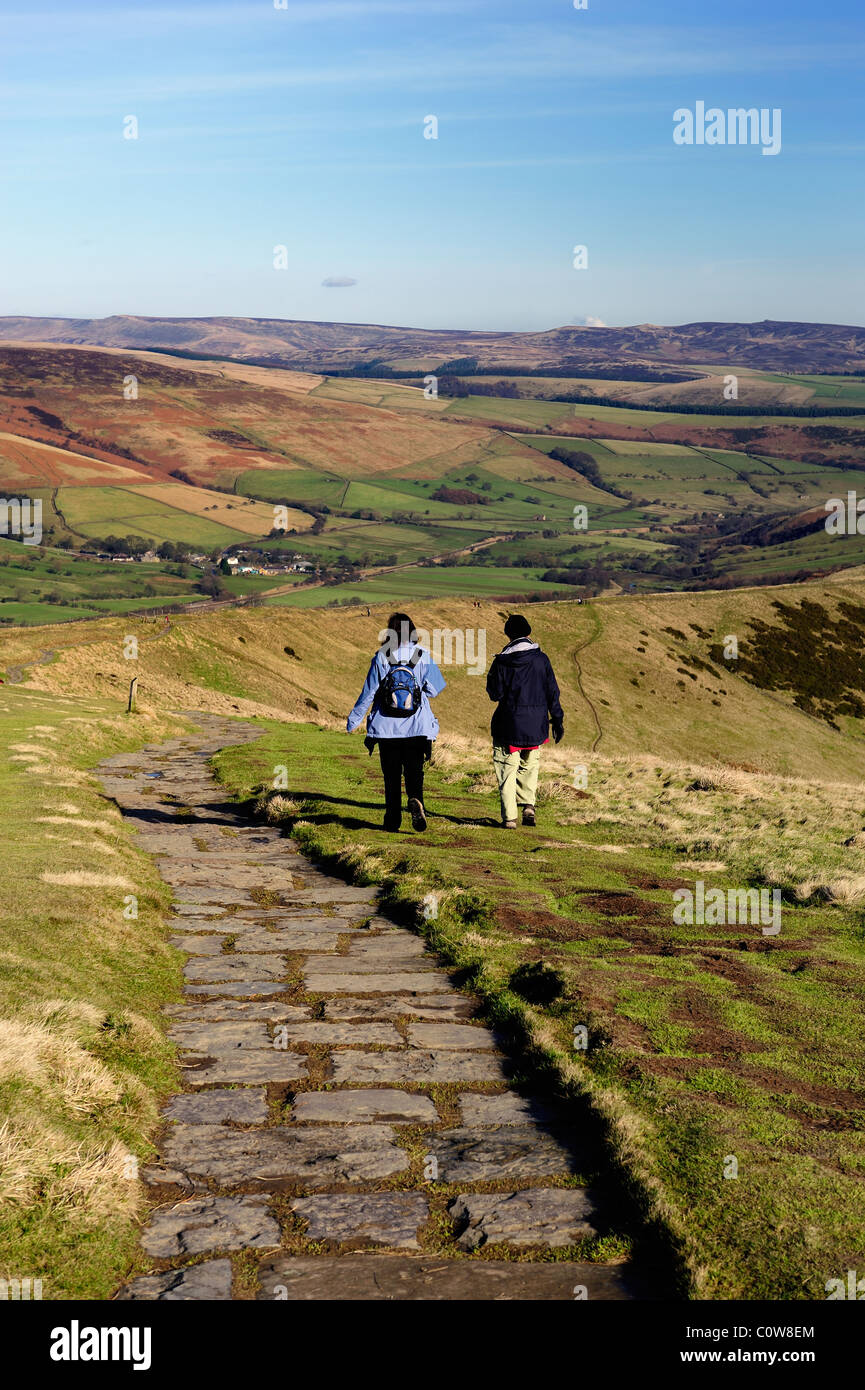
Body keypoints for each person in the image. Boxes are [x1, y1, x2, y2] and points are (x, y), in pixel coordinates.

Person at [346, 612, 446, 832]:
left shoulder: (382, 656)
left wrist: (353, 721)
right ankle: (416, 799)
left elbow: (368, 693)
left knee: (391, 775)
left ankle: (392, 819)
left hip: (386, 728)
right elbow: (435, 689)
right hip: (417, 726)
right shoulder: (422, 655)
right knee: (414, 771)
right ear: (412, 632)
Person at [486, 614, 563, 828]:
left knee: (506, 770)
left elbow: (495, 694)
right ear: (529, 633)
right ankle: (529, 805)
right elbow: (552, 693)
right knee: (530, 765)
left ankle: (510, 818)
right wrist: (557, 719)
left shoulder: (502, 661)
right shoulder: (542, 659)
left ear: (508, 634)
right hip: (536, 725)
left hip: (508, 724)